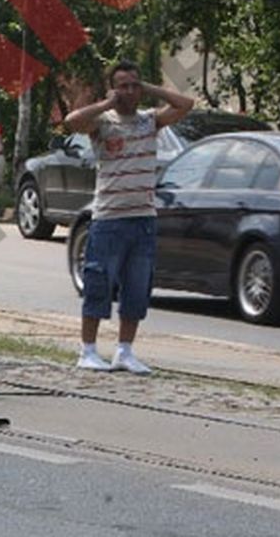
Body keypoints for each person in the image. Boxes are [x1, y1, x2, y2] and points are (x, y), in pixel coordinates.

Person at [62, 60, 194, 375]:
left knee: (137, 286)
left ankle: (125, 351)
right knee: (99, 283)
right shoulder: (103, 123)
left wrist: (148, 88)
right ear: (113, 88)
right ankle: (88, 350)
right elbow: (72, 121)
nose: (130, 92)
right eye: (123, 86)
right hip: (109, 218)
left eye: (134, 85)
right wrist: (108, 101)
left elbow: (185, 105)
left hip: (143, 217)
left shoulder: (150, 121)